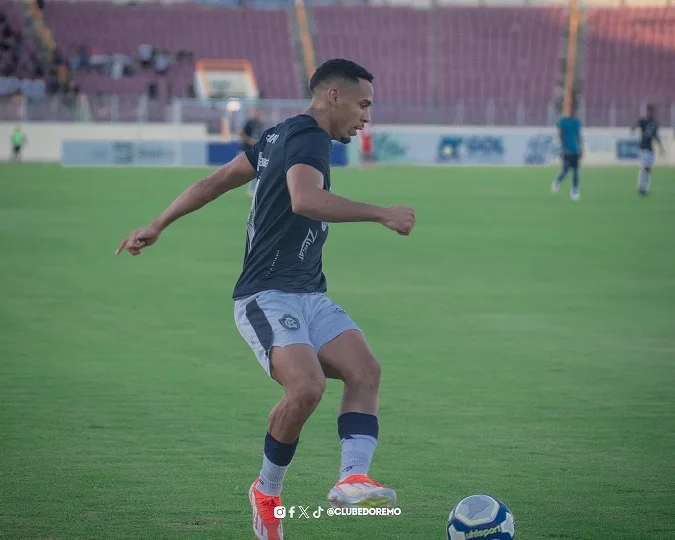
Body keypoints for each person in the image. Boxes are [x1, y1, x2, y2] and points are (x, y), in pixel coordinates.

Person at [115, 58, 415, 540]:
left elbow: (213, 183)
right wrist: (381, 213)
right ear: (333, 97)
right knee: (307, 388)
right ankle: (267, 492)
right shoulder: (310, 138)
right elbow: (305, 200)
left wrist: (157, 223)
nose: (366, 117)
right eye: (363, 104)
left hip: (308, 292)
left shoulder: (278, 135)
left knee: (365, 371)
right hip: (267, 295)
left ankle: (351, 479)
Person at [631, 104, 665, 196]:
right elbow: (634, 127)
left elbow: (655, 136)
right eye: (649, 111)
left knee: (648, 169)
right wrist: (634, 126)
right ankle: (641, 188)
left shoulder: (655, 123)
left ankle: (644, 188)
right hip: (643, 148)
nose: (650, 113)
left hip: (650, 149)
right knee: (645, 167)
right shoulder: (643, 121)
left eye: (652, 111)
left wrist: (661, 147)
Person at [551, 107, 583, 200]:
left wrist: (581, 149)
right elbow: (560, 135)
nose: (574, 112)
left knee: (576, 171)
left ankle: (575, 191)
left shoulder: (577, 122)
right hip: (566, 150)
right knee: (565, 170)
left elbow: (579, 136)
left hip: (575, 150)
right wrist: (564, 148)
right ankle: (557, 182)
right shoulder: (563, 121)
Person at [240, 108, 264, 196]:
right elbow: (241, 132)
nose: (257, 114)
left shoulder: (260, 124)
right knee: (239, 170)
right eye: (256, 112)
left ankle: (252, 189)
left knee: (256, 170)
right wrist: (249, 140)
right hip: (245, 150)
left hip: (255, 151)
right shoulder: (249, 123)